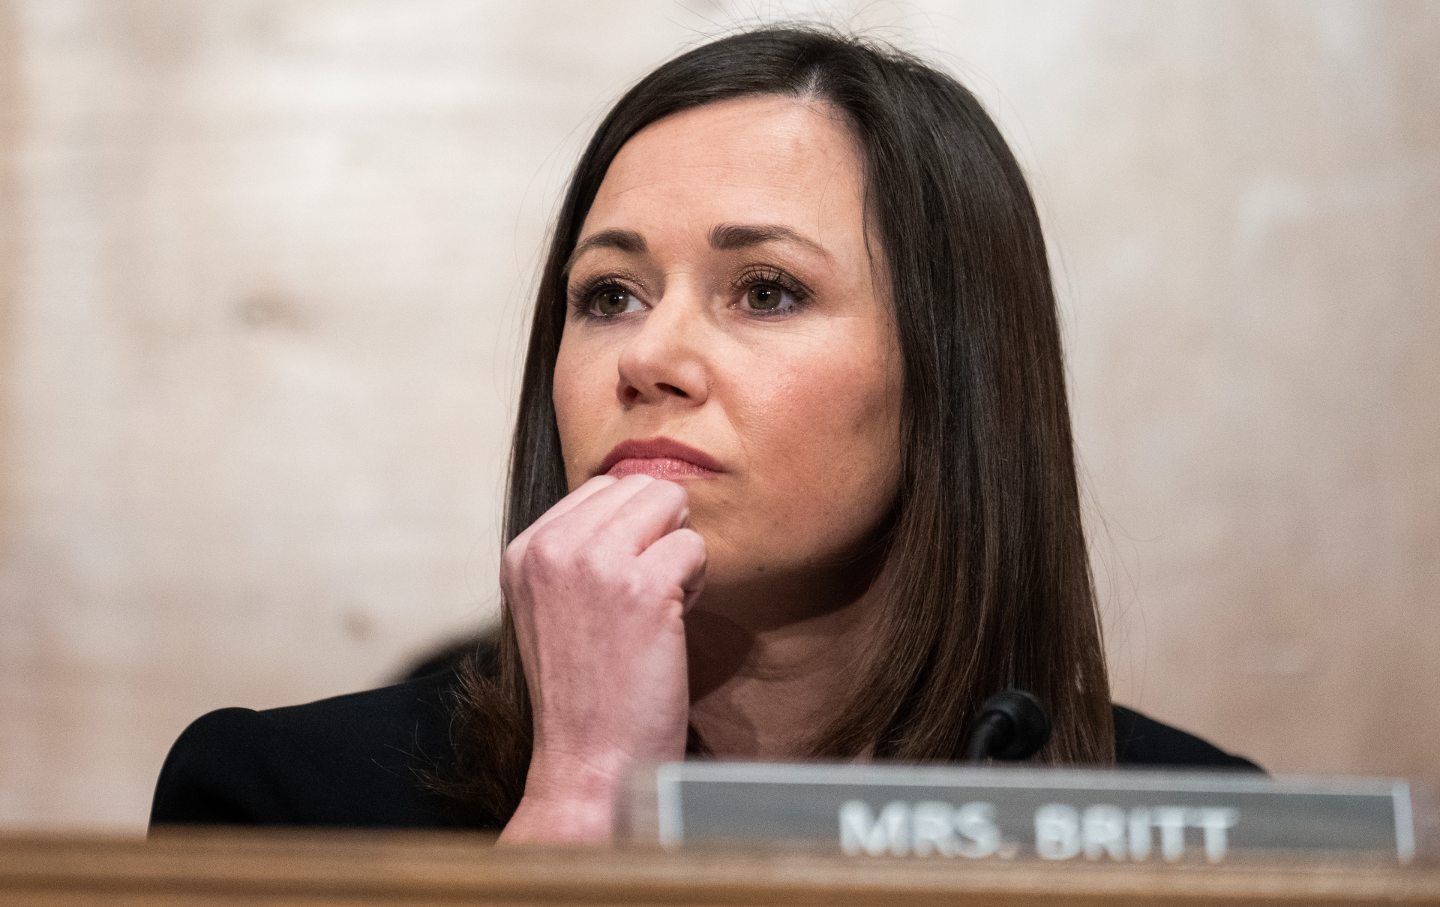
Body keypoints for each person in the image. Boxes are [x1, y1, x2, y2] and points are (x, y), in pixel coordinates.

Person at [150, 26, 1258, 839]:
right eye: (610, 295)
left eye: (765, 291)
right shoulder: (283, 805)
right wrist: (583, 792)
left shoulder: (1206, 830)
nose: (649, 358)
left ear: (951, 377)